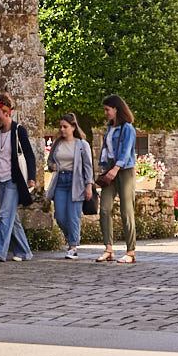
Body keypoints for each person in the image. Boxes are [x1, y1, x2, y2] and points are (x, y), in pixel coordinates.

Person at [0, 93, 37, 262]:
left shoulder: (19, 130)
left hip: (14, 181)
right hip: (0, 180)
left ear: (7, 112)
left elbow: (29, 156)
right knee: (13, 218)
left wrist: (31, 178)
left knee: (4, 215)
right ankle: (24, 252)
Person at [95, 94, 138, 264]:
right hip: (109, 169)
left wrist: (116, 168)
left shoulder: (127, 128)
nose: (105, 112)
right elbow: (106, 150)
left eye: (107, 109)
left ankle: (131, 252)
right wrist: (104, 167)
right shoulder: (109, 129)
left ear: (116, 109)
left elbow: (127, 151)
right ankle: (108, 249)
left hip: (124, 170)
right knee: (105, 208)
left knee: (127, 210)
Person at [48, 113, 94, 258]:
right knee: (60, 216)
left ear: (73, 127)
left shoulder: (82, 145)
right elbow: (50, 161)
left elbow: (88, 166)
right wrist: (52, 166)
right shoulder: (57, 144)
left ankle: (73, 247)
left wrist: (89, 186)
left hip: (76, 182)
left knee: (74, 216)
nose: (62, 129)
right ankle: (72, 239)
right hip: (60, 181)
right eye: (60, 126)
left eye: (65, 127)